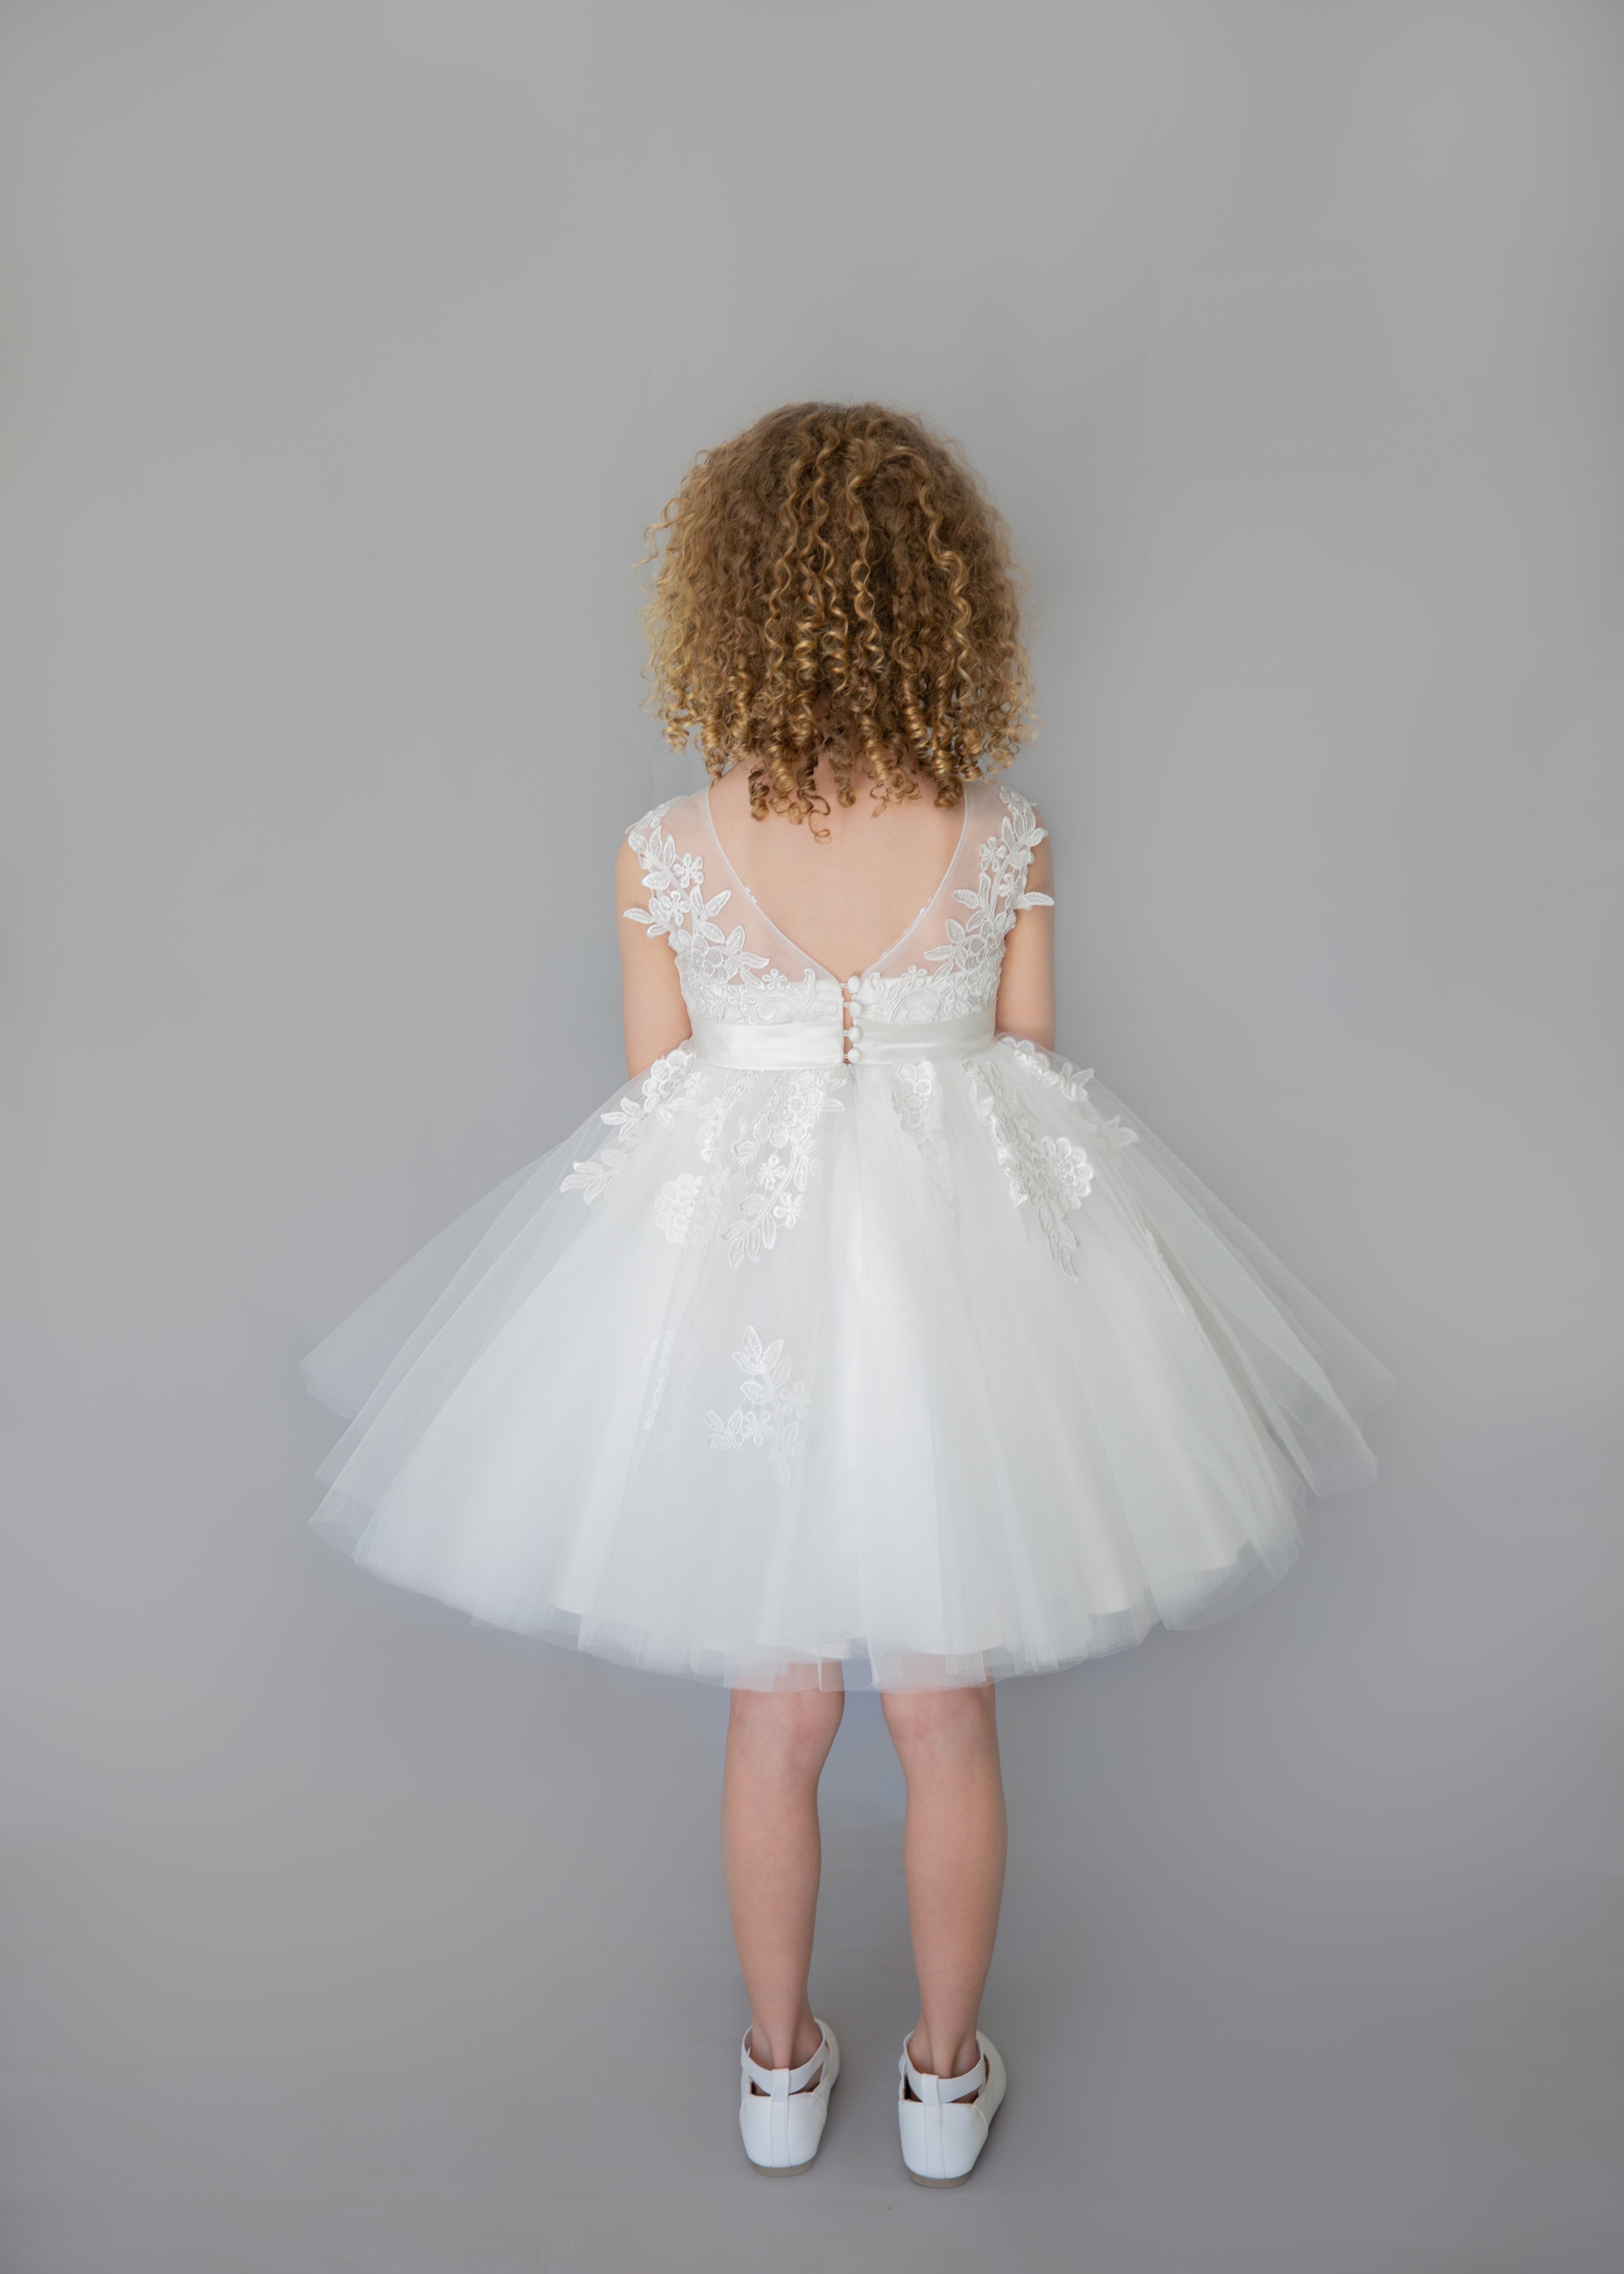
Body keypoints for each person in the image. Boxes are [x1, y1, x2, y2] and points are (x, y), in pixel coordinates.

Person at [302, 401, 1392, 2187]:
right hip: (971, 1300)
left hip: (741, 1300)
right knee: (943, 1705)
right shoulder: (1008, 834)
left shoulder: (666, 851)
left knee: (778, 1706)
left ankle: (776, 2066)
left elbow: (661, 1097)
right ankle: (946, 2082)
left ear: (731, 602)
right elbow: (1036, 1067)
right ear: (943, 603)